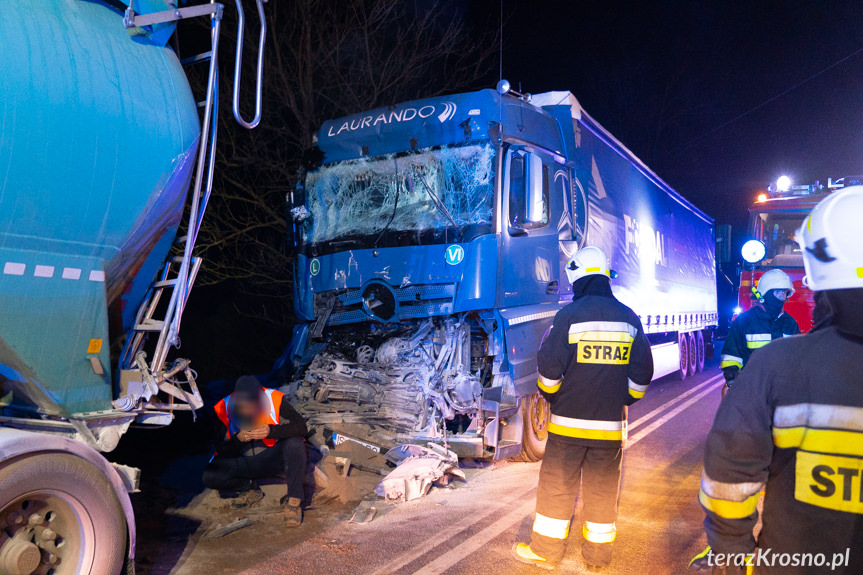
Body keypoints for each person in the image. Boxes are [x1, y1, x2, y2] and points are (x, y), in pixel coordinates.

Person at [691, 188, 863, 574]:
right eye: (780, 293)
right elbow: (733, 355)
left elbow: (729, 477)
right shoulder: (752, 328)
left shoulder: (782, 361)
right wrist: (734, 380)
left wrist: (732, 557)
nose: (785, 298)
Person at [512, 246, 654, 570]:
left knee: (557, 488)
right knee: (603, 491)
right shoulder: (629, 318)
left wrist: (552, 396)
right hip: (608, 430)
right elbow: (642, 373)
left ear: (578, 277)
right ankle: (597, 559)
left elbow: (548, 367)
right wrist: (626, 398)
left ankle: (547, 553)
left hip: (567, 428)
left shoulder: (569, 316)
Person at [203, 375, 308, 527]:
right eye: (243, 406)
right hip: (245, 462)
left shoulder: (273, 399)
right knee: (210, 475)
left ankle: (293, 502)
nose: (248, 410)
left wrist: (270, 431)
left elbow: (301, 427)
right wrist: (238, 440)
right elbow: (221, 449)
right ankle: (249, 488)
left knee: (296, 443)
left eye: (251, 406)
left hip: (271, 457)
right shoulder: (223, 407)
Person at [720, 269, 799, 390]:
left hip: (783, 393)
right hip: (752, 391)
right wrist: (732, 380)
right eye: (778, 293)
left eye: (785, 293)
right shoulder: (744, 321)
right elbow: (731, 357)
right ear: (764, 295)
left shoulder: (790, 323)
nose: (782, 297)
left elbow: (798, 358)